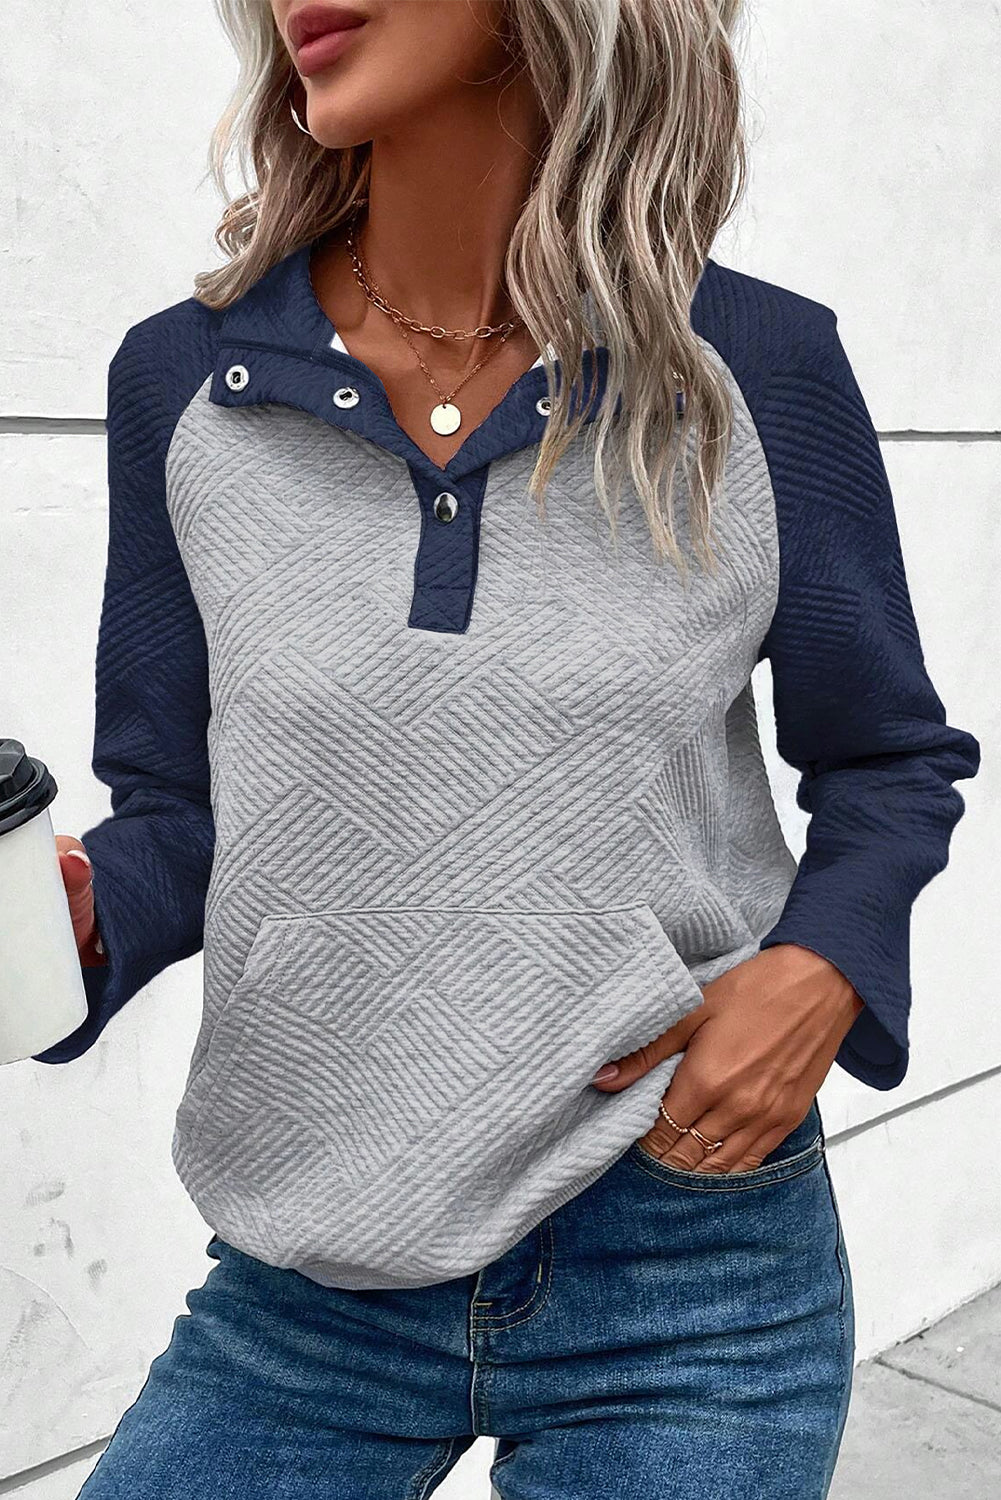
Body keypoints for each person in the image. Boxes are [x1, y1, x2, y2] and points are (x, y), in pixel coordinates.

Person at [41, 1, 980, 1496]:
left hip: (686, 1262)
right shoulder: (187, 382)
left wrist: (823, 967)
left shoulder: (756, 366)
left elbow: (885, 758)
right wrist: (78, 923)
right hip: (312, 1268)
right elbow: (182, 809)